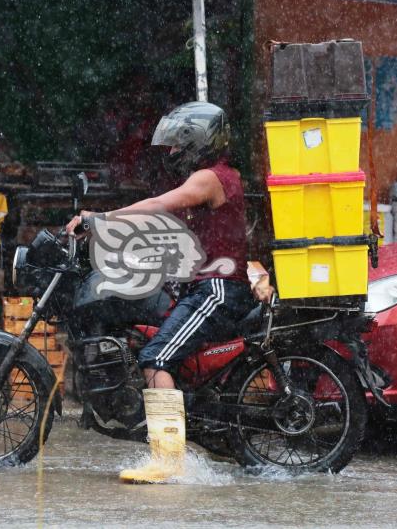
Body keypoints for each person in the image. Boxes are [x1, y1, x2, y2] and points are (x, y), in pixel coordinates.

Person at [66, 101, 262, 484]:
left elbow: (157, 204)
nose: (172, 152)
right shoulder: (212, 178)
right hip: (203, 286)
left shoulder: (210, 178)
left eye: (177, 145)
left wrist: (100, 220)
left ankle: (169, 461)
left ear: (199, 142)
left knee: (157, 358)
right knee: (151, 341)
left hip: (217, 291)